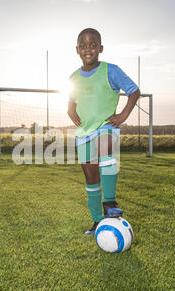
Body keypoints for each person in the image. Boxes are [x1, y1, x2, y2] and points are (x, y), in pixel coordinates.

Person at [68, 28, 141, 235]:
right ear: (77, 50)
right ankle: (97, 221)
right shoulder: (74, 77)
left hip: (106, 126)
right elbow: (72, 99)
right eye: (83, 46)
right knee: (91, 179)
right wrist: (70, 108)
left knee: (106, 150)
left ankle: (109, 202)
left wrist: (124, 115)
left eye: (92, 45)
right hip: (84, 132)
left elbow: (134, 91)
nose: (87, 49)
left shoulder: (111, 70)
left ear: (100, 48)